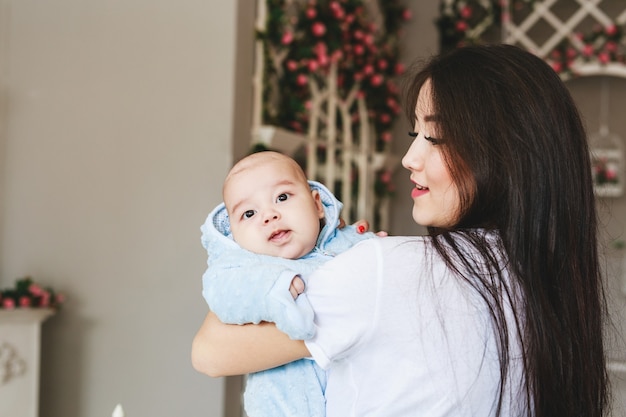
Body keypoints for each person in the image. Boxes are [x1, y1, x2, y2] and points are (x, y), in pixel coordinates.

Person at [192, 44, 609, 417]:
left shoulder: (388, 270)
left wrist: (251, 257)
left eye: (437, 136)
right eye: (415, 133)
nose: (409, 157)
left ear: (505, 153)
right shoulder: (546, 286)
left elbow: (210, 353)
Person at [200, 150, 375, 417]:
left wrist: (373, 247)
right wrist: (273, 288)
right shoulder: (244, 270)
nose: (268, 216)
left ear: (317, 205)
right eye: (248, 213)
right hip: (284, 406)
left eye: (282, 198)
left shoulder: (345, 244)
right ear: (234, 237)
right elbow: (221, 291)